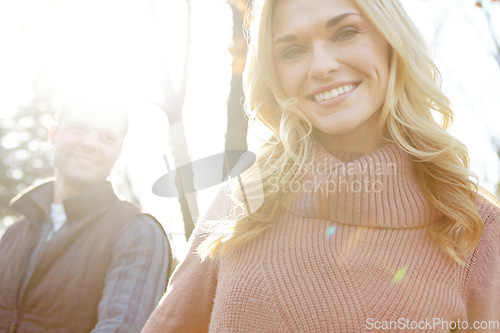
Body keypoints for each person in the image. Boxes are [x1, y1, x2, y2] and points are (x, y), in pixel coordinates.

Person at [142, 0, 500, 331]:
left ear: (391, 42)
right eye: (293, 50)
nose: (322, 66)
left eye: (345, 33)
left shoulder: (477, 229)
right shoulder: (241, 204)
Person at [0, 99, 172, 333]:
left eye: (106, 138)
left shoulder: (137, 232)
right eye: (79, 129)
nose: (90, 144)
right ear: (54, 135)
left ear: (118, 152)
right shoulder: (13, 234)